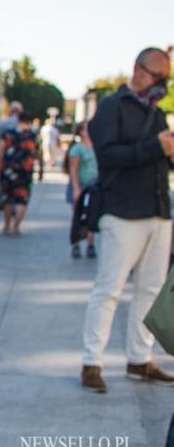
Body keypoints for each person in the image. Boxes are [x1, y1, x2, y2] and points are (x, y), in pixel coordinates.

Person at [80, 47, 174, 393]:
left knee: (150, 289)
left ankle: (140, 358)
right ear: (137, 69)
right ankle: (92, 362)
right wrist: (154, 147)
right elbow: (108, 157)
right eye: (156, 75)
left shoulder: (159, 114)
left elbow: (162, 163)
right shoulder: (111, 107)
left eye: (166, 78)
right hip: (121, 212)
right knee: (109, 289)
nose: (161, 83)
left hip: (158, 212)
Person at [0, 111, 42, 236]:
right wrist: (41, 170)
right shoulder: (33, 136)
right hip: (25, 171)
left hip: (8, 170)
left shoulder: (8, 134)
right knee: (22, 199)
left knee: (8, 198)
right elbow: (39, 154)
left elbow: (1, 153)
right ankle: (16, 227)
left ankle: (6, 225)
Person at [66, 121, 97, 258]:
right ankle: (76, 244)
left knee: (92, 216)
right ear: (80, 132)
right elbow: (73, 170)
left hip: (94, 185)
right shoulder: (77, 149)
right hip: (81, 185)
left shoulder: (97, 146)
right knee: (78, 216)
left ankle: (91, 244)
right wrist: (76, 188)